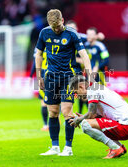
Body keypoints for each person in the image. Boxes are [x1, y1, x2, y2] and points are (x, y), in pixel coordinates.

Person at [35, 9, 92, 156]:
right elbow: (39, 54)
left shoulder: (72, 34)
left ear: (63, 20)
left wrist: (90, 75)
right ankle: (54, 147)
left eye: (58, 26)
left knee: (67, 112)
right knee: (53, 112)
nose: (56, 29)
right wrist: (39, 75)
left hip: (69, 77)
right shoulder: (44, 33)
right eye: (53, 28)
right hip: (51, 77)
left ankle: (68, 148)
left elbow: (84, 55)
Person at [68, 75, 128, 159]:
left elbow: (91, 114)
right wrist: (83, 117)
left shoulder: (92, 90)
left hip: (126, 126)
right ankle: (119, 147)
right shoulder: (96, 87)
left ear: (81, 86)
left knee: (85, 125)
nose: (77, 96)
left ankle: (116, 148)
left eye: (75, 93)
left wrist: (79, 119)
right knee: (88, 122)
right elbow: (94, 115)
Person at [30, 48, 49, 131]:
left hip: (41, 77)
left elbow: (35, 62)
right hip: (53, 75)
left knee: (43, 102)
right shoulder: (53, 44)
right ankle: (57, 117)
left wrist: (31, 75)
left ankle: (45, 125)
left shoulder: (38, 48)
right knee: (56, 99)